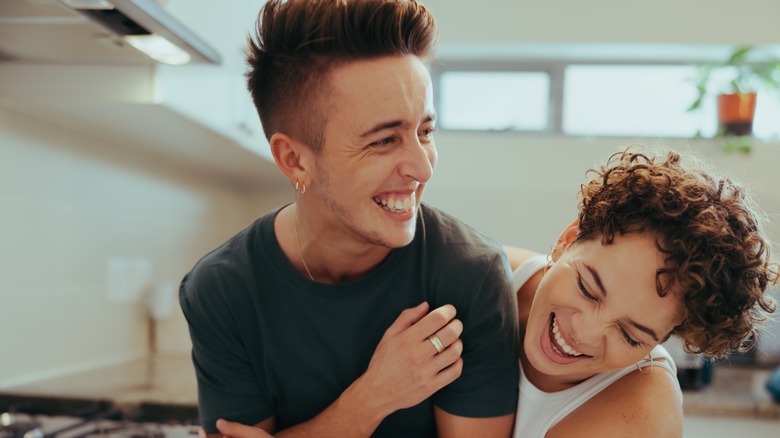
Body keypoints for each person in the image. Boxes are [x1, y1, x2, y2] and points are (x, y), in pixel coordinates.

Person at [178, 0, 519, 437]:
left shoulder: (469, 278)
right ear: (295, 160)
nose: (423, 167)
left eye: (425, 132)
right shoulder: (223, 290)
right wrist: (371, 399)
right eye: (383, 140)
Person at [503, 147, 778, 437]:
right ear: (567, 240)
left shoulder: (641, 418)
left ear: (663, 337)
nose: (584, 333)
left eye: (629, 335)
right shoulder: (487, 276)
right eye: (587, 289)